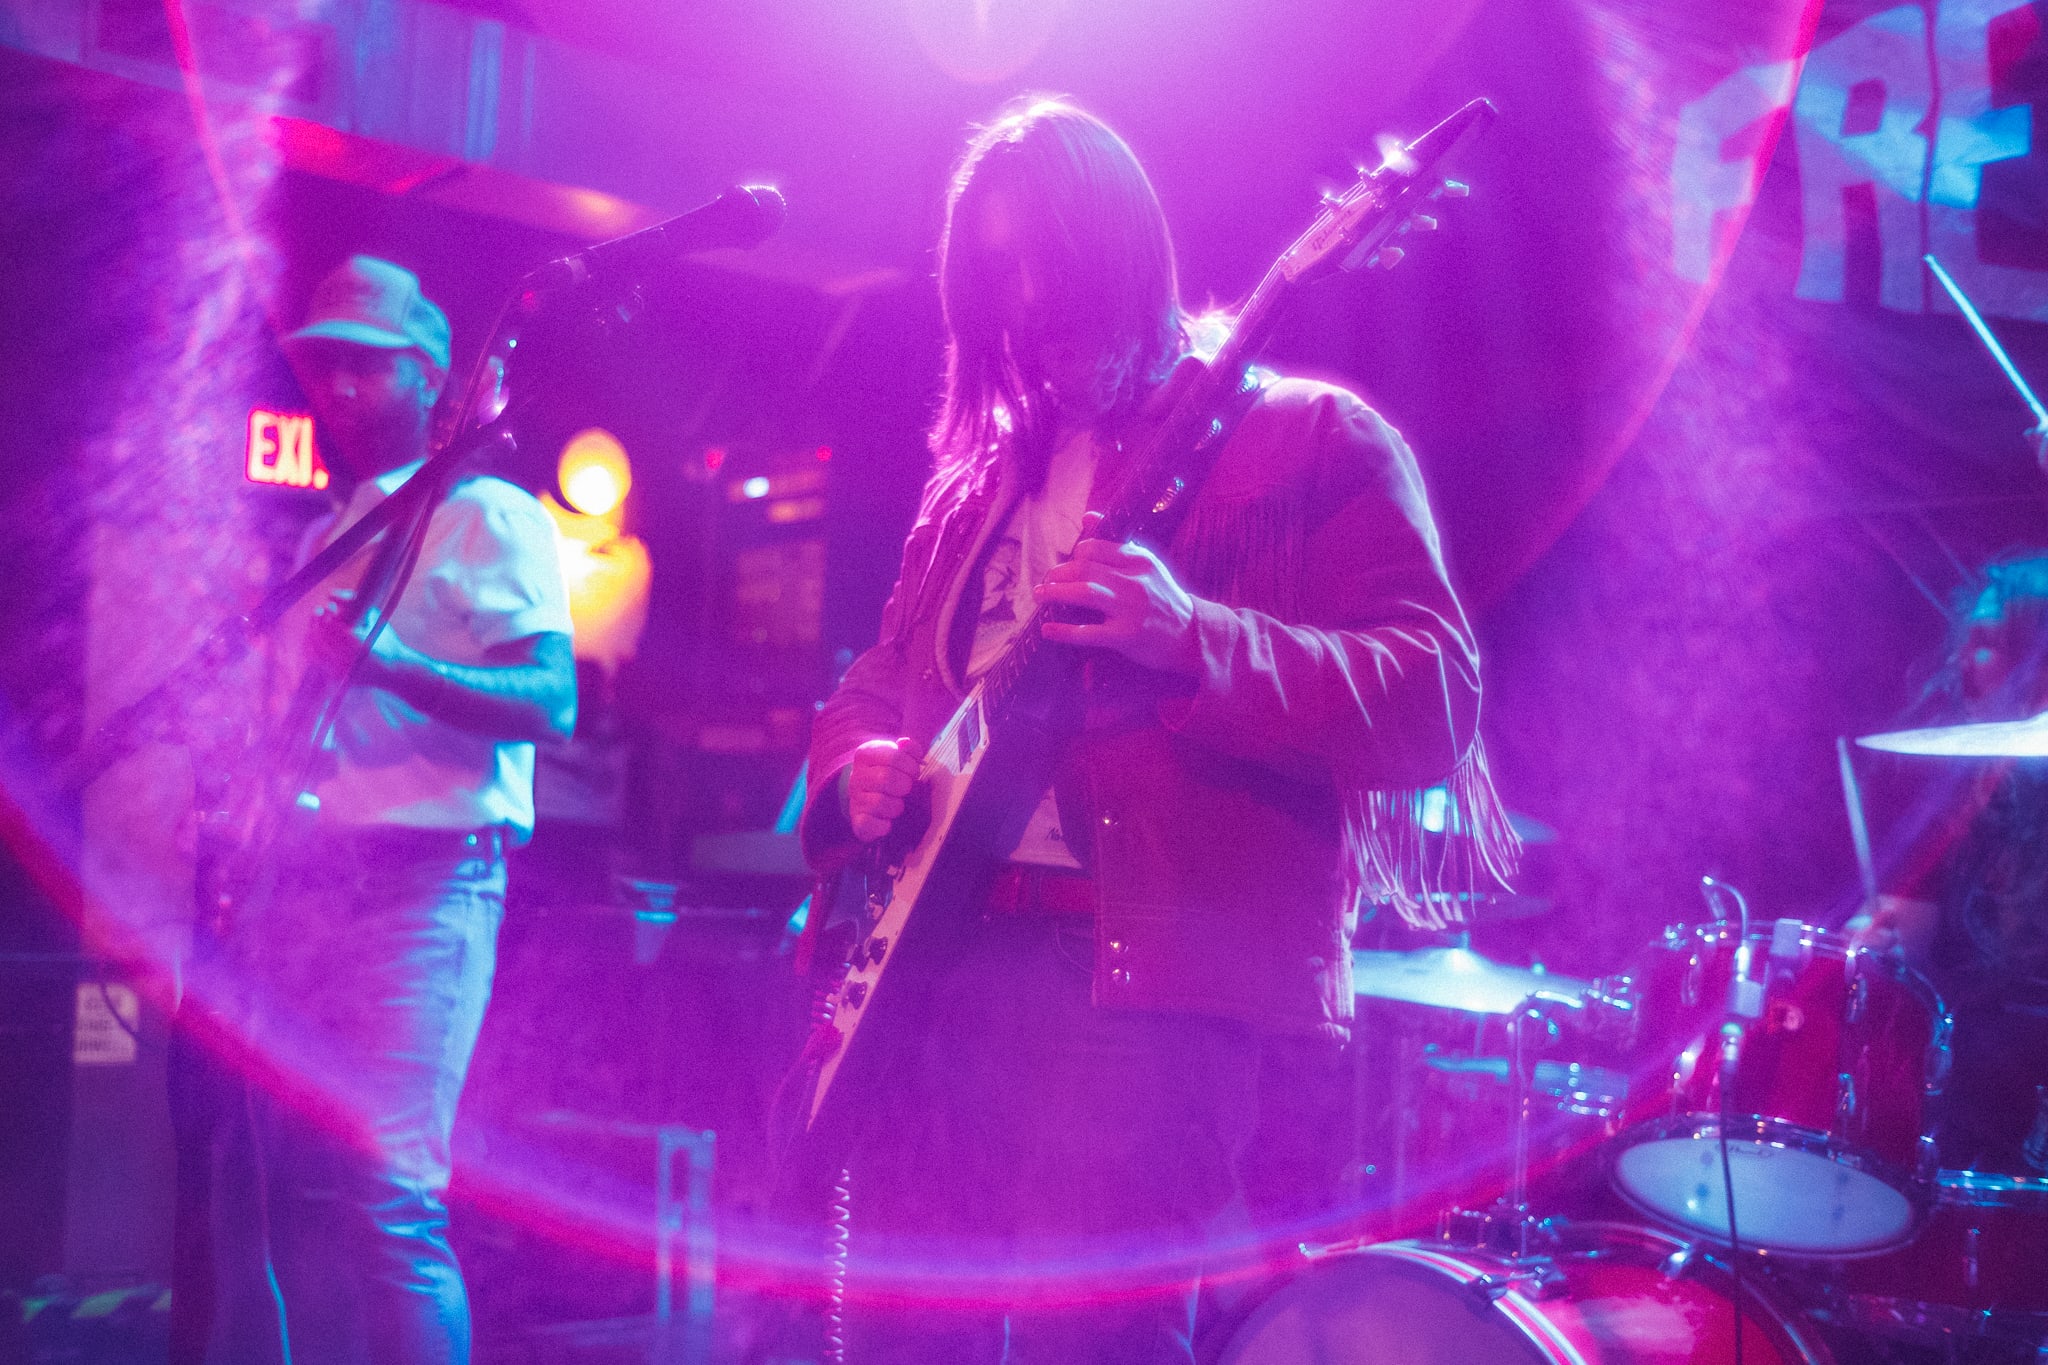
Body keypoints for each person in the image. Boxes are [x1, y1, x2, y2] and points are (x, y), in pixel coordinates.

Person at [798, 98, 1512, 1364]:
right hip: (935, 971)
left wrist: (1192, 635)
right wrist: (851, 760)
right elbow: (878, 679)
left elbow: (1434, 697)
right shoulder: (977, 481)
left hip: (1133, 998)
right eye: (996, 274)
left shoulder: (1307, 438)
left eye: (1049, 264)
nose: (1024, 303)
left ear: (1130, 248)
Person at [200, 256, 576, 1364]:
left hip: (428, 891)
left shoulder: (490, 516)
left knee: (389, 1194)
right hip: (312, 891)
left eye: (365, 366)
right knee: (293, 1189)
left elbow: (549, 702)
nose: (337, 388)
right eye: (323, 368)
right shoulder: (330, 541)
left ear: (430, 376)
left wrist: (396, 660)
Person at [1852, 553, 2048, 1173]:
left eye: (1987, 642)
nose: (1964, 659)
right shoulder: (1966, 781)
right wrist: (1869, 937)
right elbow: (1915, 917)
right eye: (1964, 641)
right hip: (1963, 1044)